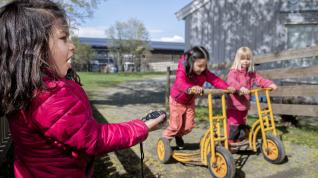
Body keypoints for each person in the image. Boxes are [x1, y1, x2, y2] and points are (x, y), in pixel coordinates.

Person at [0, 0, 165, 177]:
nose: (72, 45)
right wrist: (141, 127)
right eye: (63, 38)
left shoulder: (27, 87)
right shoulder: (49, 96)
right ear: (34, 47)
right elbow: (93, 138)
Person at [162, 46, 235, 149]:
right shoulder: (183, 69)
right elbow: (179, 82)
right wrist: (190, 88)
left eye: (205, 65)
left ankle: (179, 135)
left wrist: (227, 87)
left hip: (190, 101)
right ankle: (164, 141)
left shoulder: (204, 72)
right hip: (177, 101)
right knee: (175, 126)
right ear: (191, 62)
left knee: (189, 126)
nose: (203, 69)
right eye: (200, 66)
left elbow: (215, 80)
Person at [226, 47, 277, 144]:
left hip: (245, 104)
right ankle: (231, 143)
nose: (245, 61)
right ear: (238, 59)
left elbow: (260, 80)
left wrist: (269, 84)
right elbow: (231, 81)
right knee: (234, 124)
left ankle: (240, 140)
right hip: (234, 105)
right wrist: (240, 88)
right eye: (242, 58)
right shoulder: (233, 72)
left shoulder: (251, 73)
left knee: (242, 123)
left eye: (248, 59)